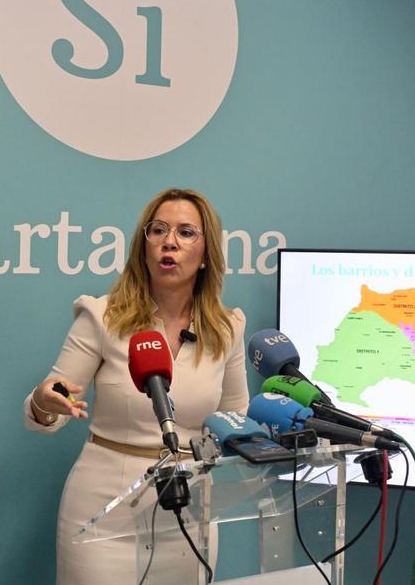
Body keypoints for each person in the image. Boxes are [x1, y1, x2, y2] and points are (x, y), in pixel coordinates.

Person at [24, 188, 249, 584]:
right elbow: (52, 401)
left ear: (206, 254)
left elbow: (236, 418)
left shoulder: (226, 329)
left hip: (188, 510)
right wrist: (45, 403)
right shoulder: (102, 316)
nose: (169, 242)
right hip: (104, 513)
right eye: (158, 230)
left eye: (186, 233)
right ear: (143, 247)